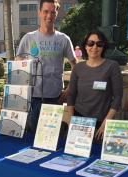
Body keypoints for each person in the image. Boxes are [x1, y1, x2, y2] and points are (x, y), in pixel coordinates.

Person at [16, 0, 76, 132]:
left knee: (49, 135)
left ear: (56, 14)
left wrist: (70, 88)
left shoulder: (63, 39)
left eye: (52, 12)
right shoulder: (28, 38)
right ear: (39, 13)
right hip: (33, 98)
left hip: (55, 97)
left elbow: (75, 65)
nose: (49, 15)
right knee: (32, 135)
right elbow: (18, 61)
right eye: (45, 11)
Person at [67, 30, 123, 140]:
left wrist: (107, 121)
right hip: (79, 120)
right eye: (90, 43)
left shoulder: (112, 66)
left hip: (101, 123)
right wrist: (71, 120)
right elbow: (71, 95)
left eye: (99, 44)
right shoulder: (78, 68)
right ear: (85, 46)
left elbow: (118, 96)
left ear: (103, 46)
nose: (94, 47)